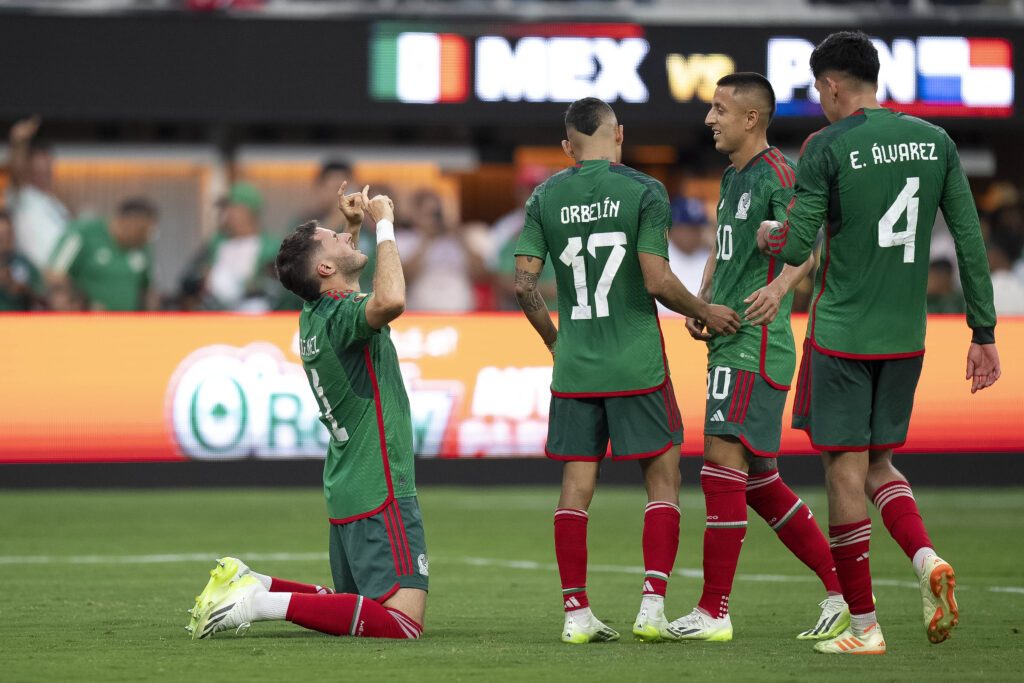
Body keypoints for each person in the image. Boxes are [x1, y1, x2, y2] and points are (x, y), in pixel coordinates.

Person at [756, 31, 1001, 654]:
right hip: (906, 337)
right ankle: (925, 560)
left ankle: (864, 627)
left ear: (833, 84)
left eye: (818, 88)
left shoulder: (827, 145)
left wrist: (767, 234)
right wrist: (983, 332)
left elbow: (795, 246)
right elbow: (969, 241)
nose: (819, 99)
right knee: (880, 464)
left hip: (842, 333)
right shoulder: (936, 141)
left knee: (843, 471)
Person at [513, 97, 741, 644]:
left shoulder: (545, 195)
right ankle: (652, 607)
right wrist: (706, 310)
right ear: (620, 136)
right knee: (662, 482)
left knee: (575, 488)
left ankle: (575, 614)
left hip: (576, 368)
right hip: (637, 362)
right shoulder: (645, 191)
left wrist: (554, 340)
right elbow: (658, 281)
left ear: (568, 147)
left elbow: (524, 285)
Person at [187, 183, 428, 641]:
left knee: (353, 608)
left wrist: (352, 227)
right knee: (402, 624)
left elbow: (343, 282)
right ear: (323, 267)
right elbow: (391, 300)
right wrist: (385, 227)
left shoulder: (314, 313)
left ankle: (255, 582)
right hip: (380, 484)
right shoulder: (340, 315)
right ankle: (259, 603)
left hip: (348, 485)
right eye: (335, 237)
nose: (343, 236)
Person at [668, 72, 847, 643]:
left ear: (751, 118)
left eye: (719, 109)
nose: (709, 119)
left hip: (754, 342)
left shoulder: (778, 174)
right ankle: (841, 592)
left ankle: (713, 610)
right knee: (759, 481)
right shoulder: (732, 176)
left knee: (721, 466)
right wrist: (700, 301)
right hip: (728, 339)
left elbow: (809, 243)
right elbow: (726, 248)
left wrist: (780, 287)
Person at [47, 196, 159, 311]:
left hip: (127, 325)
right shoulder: (83, 233)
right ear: (129, 222)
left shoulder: (141, 246)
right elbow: (54, 274)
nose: (147, 237)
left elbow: (148, 289)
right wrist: (84, 306)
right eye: (144, 230)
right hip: (87, 323)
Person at [4, 116, 71, 271]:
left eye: (48, 165)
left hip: (59, 278)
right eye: (39, 167)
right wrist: (18, 143)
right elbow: (16, 172)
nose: (44, 171)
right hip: (34, 278)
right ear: (28, 167)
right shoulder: (23, 196)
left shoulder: (57, 204)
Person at [0, 209, 45, 311]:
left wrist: (26, 290)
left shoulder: (22, 262)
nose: (6, 242)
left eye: (9, 235)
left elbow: (44, 295)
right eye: (1, 237)